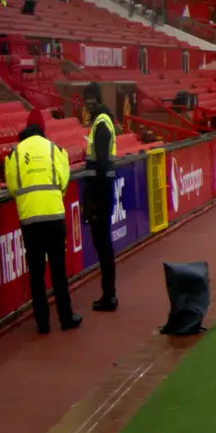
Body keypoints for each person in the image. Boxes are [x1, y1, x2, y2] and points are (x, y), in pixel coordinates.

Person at [2, 116, 75, 336]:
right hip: (54, 215)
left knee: (36, 273)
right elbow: (64, 179)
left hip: (31, 220)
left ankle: (43, 323)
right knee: (58, 270)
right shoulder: (55, 149)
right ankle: (66, 317)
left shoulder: (13, 155)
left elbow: (13, 187)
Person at [79, 103, 121, 312]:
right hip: (103, 193)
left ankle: (109, 295)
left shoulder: (101, 125)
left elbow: (102, 164)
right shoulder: (104, 123)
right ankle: (109, 293)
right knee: (104, 245)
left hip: (100, 194)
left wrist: (93, 199)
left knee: (103, 246)